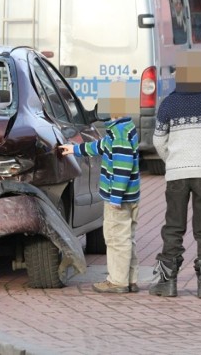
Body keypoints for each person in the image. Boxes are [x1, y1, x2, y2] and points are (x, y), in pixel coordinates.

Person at [149, 50, 201, 299]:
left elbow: (158, 140)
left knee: (174, 227)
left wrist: (172, 160)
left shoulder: (169, 103)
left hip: (177, 175)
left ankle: (167, 282)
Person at [59, 80, 140, 294]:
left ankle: (117, 281)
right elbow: (100, 146)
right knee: (127, 238)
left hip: (120, 199)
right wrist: (74, 150)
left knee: (115, 238)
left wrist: (115, 198)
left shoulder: (119, 134)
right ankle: (129, 279)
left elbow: (122, 168)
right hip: (130, 197)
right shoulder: (122, 129)